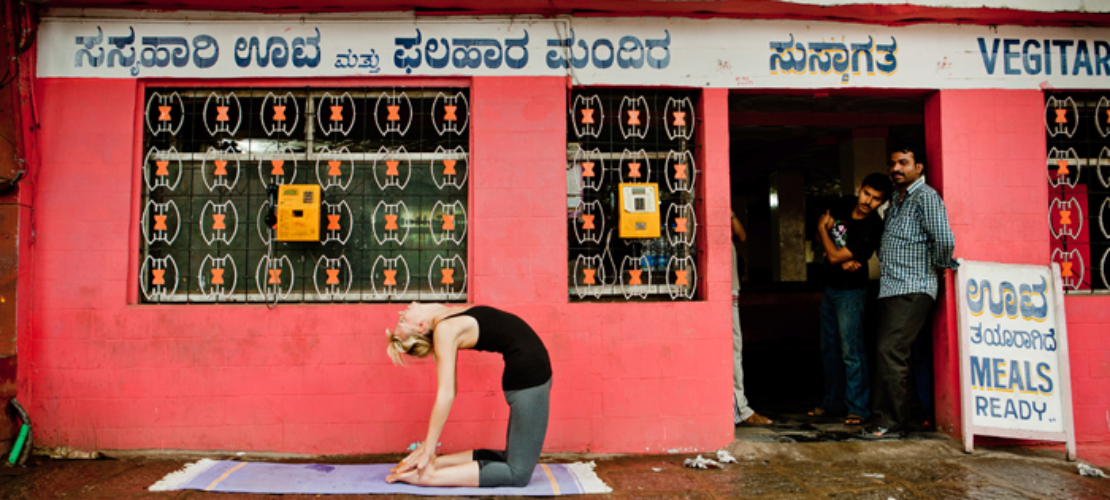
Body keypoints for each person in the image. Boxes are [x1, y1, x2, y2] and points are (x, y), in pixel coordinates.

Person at [385, 303, 552, 487]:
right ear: (421, 326)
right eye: (402, 320)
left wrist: (428, 450)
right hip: (530, 375)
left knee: (512, 458)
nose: (402, 311)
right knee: (518, 474)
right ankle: (430, 477)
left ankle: (437, 463)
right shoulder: (444, 329)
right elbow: (447, 392)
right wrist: (428, 447)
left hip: (528, 370)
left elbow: (451, 389)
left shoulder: (445, 316)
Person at [864, 145, 957, 439]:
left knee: (890, 350)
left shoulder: (925, 197)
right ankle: (887, 418)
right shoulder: (896, 199)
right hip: (891, 288)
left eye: (903, 163)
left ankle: (891, 423)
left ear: (918, 168)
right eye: (892, 163)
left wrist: (939, 268)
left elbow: (943, 238)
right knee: (887, 351)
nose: (896, 169)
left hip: (913, 287)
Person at [809, 173, 892, 426]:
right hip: (831, 287)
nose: (868, 201)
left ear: (882, 202)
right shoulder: (843, 203)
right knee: (830, 350)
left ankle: (858, 408)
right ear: (860, 188)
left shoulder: (873, 227)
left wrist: (832, 244)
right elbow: (817, 236)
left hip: (852, 292)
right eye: (867, 193)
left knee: (851, 351)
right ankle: (833, 403)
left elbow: (833, 254)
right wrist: (831, 246)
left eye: (877, 199)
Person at [731, 210, 772, 426]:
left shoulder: (726, 216)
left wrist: (729, 213)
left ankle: (741, 408)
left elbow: (742, 235)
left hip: (729, 291)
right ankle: (740, 409)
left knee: (733, 350)